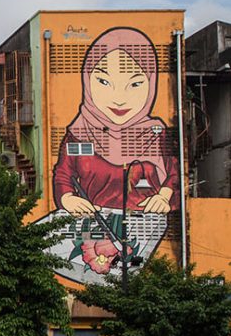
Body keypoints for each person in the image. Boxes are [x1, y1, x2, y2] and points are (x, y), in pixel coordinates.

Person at [53, 27, 178, 216]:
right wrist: (68, 199)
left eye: (135, 84)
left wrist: (163, 196)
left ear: (151, 83)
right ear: (88, 80)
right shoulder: (80, 133)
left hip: (145, 225)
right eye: (104, 82)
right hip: (94, 224)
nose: (119, 99)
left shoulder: (156, 134)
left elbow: (175, 174)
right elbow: (63, 174)